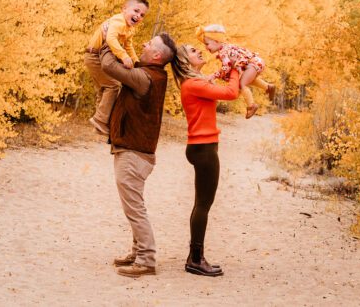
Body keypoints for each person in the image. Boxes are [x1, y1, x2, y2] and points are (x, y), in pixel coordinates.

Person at [99, 32, 178, 278]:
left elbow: (108, 66)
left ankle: (146, 259)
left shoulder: (145, 78)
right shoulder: (151, 75)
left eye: (150, 44)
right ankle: (137, 252)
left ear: (157, 56)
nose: (145, 44)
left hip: (134, 154)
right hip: (135, 152)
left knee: (134, 209)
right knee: (134, 206)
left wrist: (107, 37)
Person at [172, 43, 249, 277]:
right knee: (203, 205)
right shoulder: (193, 84)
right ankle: (196, 259)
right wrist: (234, 68)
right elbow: (231, 93)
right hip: (203, 148)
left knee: (201, 204)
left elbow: (222, 87)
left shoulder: (196, 82)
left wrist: (227, 70)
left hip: (202, 147)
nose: (199, 51)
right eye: (192, 51)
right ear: (184, 61)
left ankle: (194, 257)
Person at [84, 0, 150, 134]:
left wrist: (136, 62)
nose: (138, 16)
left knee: (103, 88)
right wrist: (123, 56)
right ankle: (100, 120)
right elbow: (110, 38)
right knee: (113, 85)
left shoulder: (129, 29)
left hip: (97, 56)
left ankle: (100, 123)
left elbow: (128, 46)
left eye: (142, 15)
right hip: (94, 56)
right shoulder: (118, 21)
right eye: (136, 11)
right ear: (124, 9)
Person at [196, 23, 276, 118]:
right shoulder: (226, 47)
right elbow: (230, 65)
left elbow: (227, 66)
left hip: (253, 64)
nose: (206, 48)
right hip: (255, 62)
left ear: (216, 41)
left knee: (242, 84)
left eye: (207, 44)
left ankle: (251, 105)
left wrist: (214, 75)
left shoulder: (223, 52)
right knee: (248, 79)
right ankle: (268, 87)